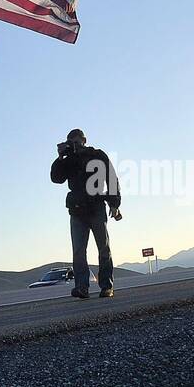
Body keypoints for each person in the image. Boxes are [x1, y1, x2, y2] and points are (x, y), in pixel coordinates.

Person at [50, 128, 122, 299]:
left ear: (84, 140)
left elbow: (111, 178)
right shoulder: (68, 161)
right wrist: (60, 157)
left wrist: (114, 204)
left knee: (103, 248)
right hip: (76, 210)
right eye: (70, 142)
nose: (74, 145)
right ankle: (82, 287)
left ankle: (106, 286)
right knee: (79, 251)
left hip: (96, 206)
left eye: (76, 141)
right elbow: (56, 178)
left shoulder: (96, 155)